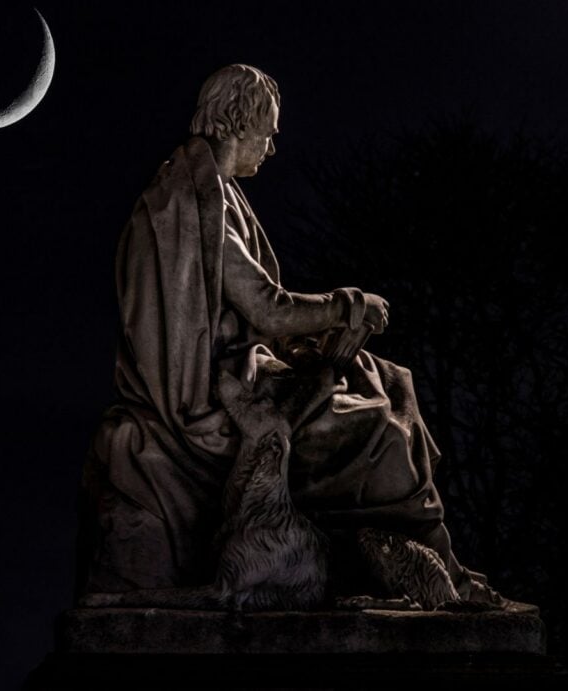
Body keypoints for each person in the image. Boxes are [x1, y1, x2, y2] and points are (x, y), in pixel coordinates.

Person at [79, 64, 493, 603]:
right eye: (267, 134)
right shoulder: (197, 201)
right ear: (235, 122)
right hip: (219, 391)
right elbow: (267, 309)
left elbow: (251, 317)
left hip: (245, 364)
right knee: (380, 427)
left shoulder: (212, 192)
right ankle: (436, 581)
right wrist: (347, 305)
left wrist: (314, 339)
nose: (271, 149)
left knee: (387, 378)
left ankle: (437, 568)